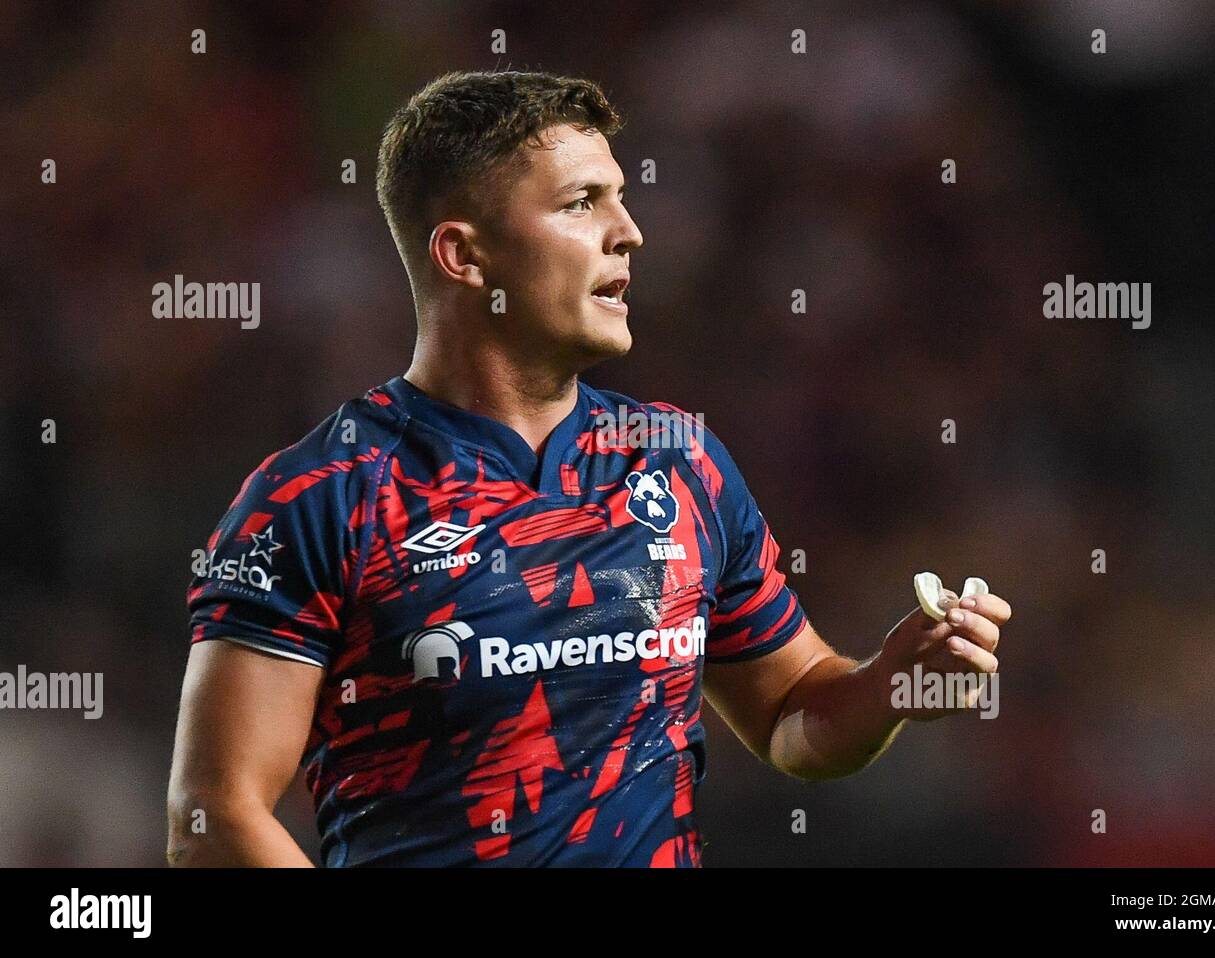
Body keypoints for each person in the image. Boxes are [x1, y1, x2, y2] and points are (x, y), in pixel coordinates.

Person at [166, 70, 1011, 867]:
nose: (630, 232)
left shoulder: (680, 462)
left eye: (622, 198)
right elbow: (214, 815)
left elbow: (792, 721)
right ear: (464, 257)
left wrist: (889, 685)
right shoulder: (323, 495)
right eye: (582, 203)